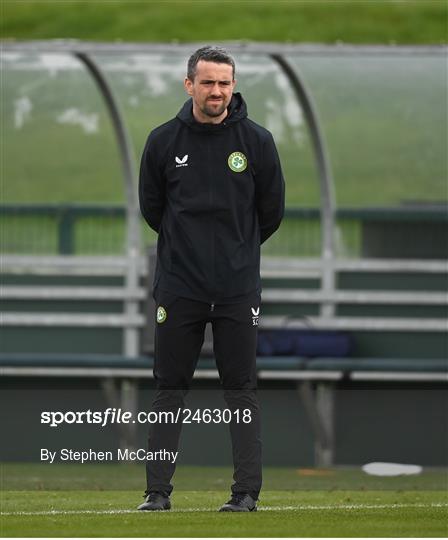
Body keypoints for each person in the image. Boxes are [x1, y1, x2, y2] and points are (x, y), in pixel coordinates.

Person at [138, 45, 285, 512]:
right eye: (207, 82)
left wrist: (236, 254)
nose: (216, 91)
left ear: (233, 86)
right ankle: (157, 493)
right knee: (169, 387)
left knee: (240, 388)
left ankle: (245, 494)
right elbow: (153, 209)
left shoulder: (257, 143)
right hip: (179, 287)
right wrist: (188, 254)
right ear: (189, 85)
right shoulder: (163, 142)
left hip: (238, 289)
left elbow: (271, 213)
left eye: (224, 83)